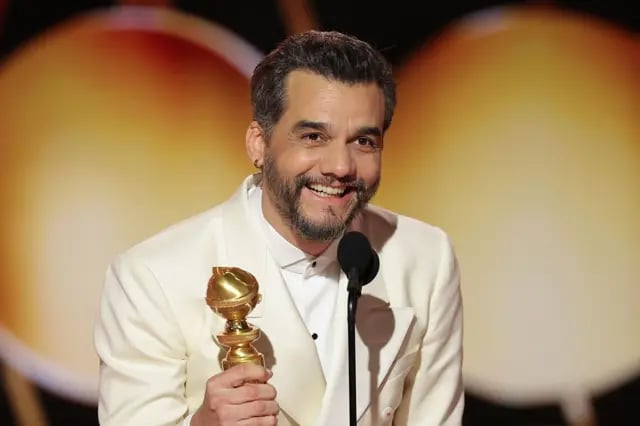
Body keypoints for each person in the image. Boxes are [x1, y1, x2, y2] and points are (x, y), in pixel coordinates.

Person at [94, 30, 464, 425]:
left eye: (363, 142)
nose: (340, 167)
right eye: (313, 136)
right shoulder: (151, 276)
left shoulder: (426, 257)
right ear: (259, 143)